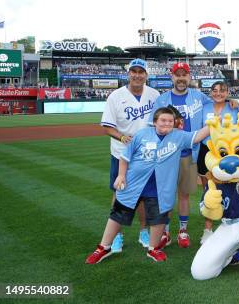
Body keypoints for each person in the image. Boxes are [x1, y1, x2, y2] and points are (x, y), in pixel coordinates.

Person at [86, 106, 210, 264]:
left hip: (160, 187)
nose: (166, 123)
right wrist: (121, 175)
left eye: (170, 121)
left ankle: (153, 248)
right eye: (163, 120)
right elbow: (125, 157)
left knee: (159, 219)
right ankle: (104, 247)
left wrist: (213, 124)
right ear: (155, 122)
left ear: (175, 123)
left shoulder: (178, 136)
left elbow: (198, 136)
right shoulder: (142, 134)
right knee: (117, 214)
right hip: (134, 184)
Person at [149, 62, 213, 248]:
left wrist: (231, 103)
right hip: (168, 154)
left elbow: (217, 106)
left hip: (189, 153)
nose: (181, 78)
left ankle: (183, 230)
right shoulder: (162, 100)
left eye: (184, 74)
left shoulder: (198, 96)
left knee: (184, 195)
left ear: (189, 77)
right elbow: (153, 125)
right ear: (172, 77)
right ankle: (166, 232)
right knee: (166, 194)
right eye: (177, 75)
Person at [100, 58, 159, 252]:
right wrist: (122, 137)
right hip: (121, 155)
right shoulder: (115, 97)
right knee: (119, 192)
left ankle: (143, 231)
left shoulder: (154, 94)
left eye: (141, 71)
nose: (137, 75)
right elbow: (107, 126)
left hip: (148, 155)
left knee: (144, 195)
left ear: (146, 75)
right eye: (133, 71)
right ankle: (116, 235)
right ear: (128, 74)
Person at [197, 81, 239, 245]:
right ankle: (208, 230)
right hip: (206, 151)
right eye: (215, 91)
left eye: (222, 90)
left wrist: (238, 103)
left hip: (227, 153)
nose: (218, 93)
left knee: (230, 189)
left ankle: (229, 224)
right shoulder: (205, 107)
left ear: (228, 92)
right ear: (211, 93)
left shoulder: (234, 107)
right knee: (208, 190)